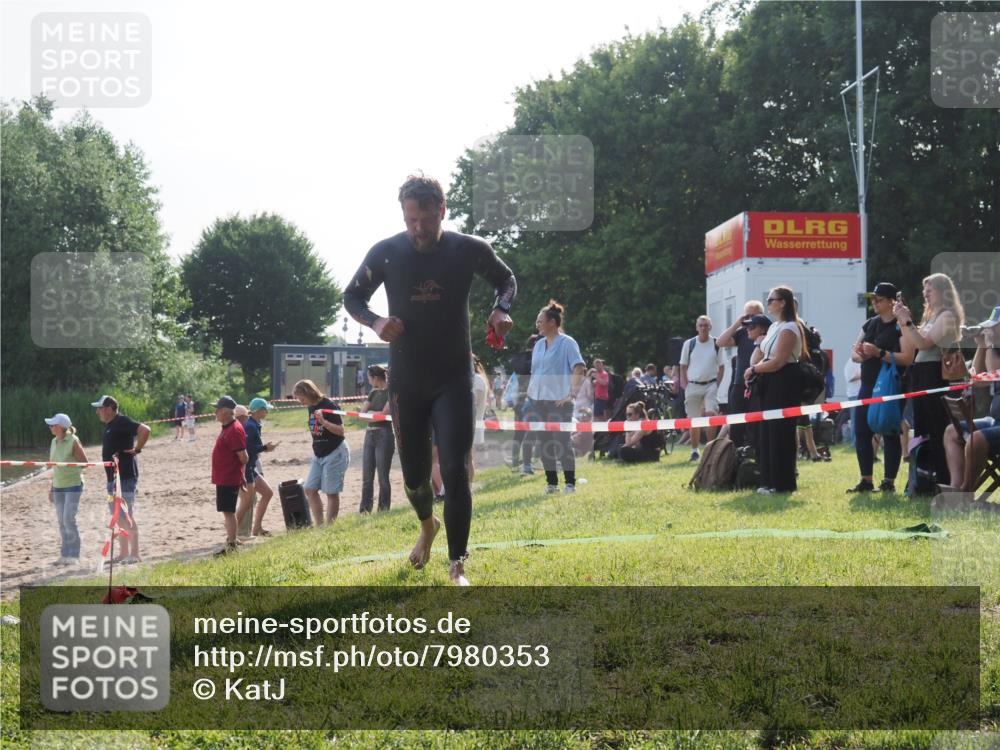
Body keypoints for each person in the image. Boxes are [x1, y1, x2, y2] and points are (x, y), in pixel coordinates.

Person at [344, 174, 516, 585]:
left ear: (442, 210)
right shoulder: (387, 253)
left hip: (454, 378)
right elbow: (352, 296)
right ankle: (427, 525)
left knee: (455, 469)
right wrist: (376, 321)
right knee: (415, 478)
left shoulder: (468, 249)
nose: (418, 228)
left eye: (426, 219)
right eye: (410, 220)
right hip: (408, 381)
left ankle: (457, 564)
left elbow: (505, 280)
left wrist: (500, 310)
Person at [894, 273, 964, 484]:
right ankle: (924, 479)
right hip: (921, 374)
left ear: (942, 291)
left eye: (929, 290)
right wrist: (902, 320)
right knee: (923, 429)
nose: (925, 294)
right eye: (924, 290)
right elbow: (913, 344)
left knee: (937, 428)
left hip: (936, 375)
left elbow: (924, 344)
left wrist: (907, 321)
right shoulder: (931, 317)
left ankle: (943, 480)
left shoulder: (947, 316)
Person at [846, 282, 916, 493]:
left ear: (891, 301)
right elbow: (854, 353)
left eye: (878, 299)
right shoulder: (869, 324)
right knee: (861, 431)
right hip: (867, 384)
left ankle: (888, 482)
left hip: (891, 385)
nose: (874, 303)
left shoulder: (900, 324)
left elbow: (908, 357)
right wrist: (862, 354)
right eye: (872, 299)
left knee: (889, 430)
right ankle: (866, 480)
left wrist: (879, 353)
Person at [744, 287, 804, 494]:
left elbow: (779, 361)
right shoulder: (774, 327)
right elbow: (763, 354)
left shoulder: (790, 327)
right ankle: (768, 481)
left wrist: (754, 369)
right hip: (768, 382)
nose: (768, 303)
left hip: (784, 382)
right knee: (767, 432)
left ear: (783, 303)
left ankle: (782, 483)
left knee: (780, 433)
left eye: (771, 300)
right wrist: (754, 368)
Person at [527, 300, 586, 494]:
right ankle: (551, 484)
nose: (537, 324)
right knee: (543, 443)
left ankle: (570, 484)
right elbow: (535, 373)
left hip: (559, 402)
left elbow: (579, 367)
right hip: (538, 401)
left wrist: (571, 394)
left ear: (552, 322)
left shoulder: (567, 343)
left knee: (562, 442)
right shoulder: (538, 345)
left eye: (540, 321)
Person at [944, 315, 1000, 487]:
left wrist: (988, 343)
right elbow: (976, 379)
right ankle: (956, 487)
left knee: (977, 440)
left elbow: (993, 373)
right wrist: (982, 345)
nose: (989, 330)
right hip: (996, 421)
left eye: (993, 326)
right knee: (951, 432)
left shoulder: (994, 350)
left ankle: (965, 492)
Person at [93, 395, 150, 564]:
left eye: (100, 408)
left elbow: (145, 430)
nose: (97, 412)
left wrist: (137, 449)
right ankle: (124, 553)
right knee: (117, 516)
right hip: (112, 479)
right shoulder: (111, 426)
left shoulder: (121, 421)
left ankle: (135, 554)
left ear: (109, 409)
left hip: (125, 477)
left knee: (126, 515)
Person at [293, 378, 349, 525]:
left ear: (309, 393)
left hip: (335, 452)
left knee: (331, 492)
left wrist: (324, 422)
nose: (301, 402)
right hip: (319, 454)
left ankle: (329, 527)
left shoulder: (328, 405)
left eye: (302, 398)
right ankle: (320, 526)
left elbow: (341, 431)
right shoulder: (310, 406)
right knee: (310, 489)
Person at [717, 301, 766, 447]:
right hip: (739, 384)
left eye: (754, 316)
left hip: (759, 384)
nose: (751, 320)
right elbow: (720, 342)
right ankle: (736, 453)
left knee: (756, 424)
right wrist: (737, 324)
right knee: (736, 424)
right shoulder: (743, 332)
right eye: (748, 316)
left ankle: (756, 452)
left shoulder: (769, 333)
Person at [679, 315, 725, 461]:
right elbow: (683, 366)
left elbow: (721, 367)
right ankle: (694, 450)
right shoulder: (689, 344)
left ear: (710, 327)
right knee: (694, 420)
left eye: (706, 325)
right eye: (701, 325)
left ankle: (710, 450)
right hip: (693, 385)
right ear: (697, 327)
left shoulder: (717, 343)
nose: (703, 328)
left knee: (711, 416)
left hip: (711, 384)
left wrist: (716, 384)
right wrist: (685, 385)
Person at [46, 413, 88, 566]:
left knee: (68, 519)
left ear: (60, 427)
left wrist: (70, 467)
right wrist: (52, 487)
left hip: (73, 485)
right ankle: (64, 555)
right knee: (61, 521)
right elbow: (55, 467)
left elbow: (84, 463)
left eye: (53, 425)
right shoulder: (53, 441)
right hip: (58, 486)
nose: (50, 427)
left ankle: (74, 555)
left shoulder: (73, 440)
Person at [211, 396, 248, 555]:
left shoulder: (234, 429)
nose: (215, 413)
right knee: (227, 511)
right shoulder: (228, 427)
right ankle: (233, 540)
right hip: (225, 476)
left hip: (228, 477)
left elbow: (244, 457)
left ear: (225, 411)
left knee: (228, 512)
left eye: (218, 409)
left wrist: (240, 474)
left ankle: (232, 545)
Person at [359, 365, 394, 513]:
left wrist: (371, 414)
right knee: (367, 477)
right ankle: (365, 509)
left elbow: (384, 414)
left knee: (382, 476)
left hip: (384, 435)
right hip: (369, 435)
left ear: (376, 378)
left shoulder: (391, 392)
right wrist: (374, 414)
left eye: (369, 377)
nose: (368, 381)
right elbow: (362, 415)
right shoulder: (373, 392)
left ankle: (383, 509)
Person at [243, 397, 278, 536]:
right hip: (247, 468)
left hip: (251, 466)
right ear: (258, 411)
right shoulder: (251, 426)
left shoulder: (254, 424)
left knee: (265, 494)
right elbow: (248, 448)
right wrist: (265, 448)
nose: (267, 413)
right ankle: (239, 531)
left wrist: (265, 448)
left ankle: (256, 528)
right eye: (265, 410)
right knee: (248, 501)